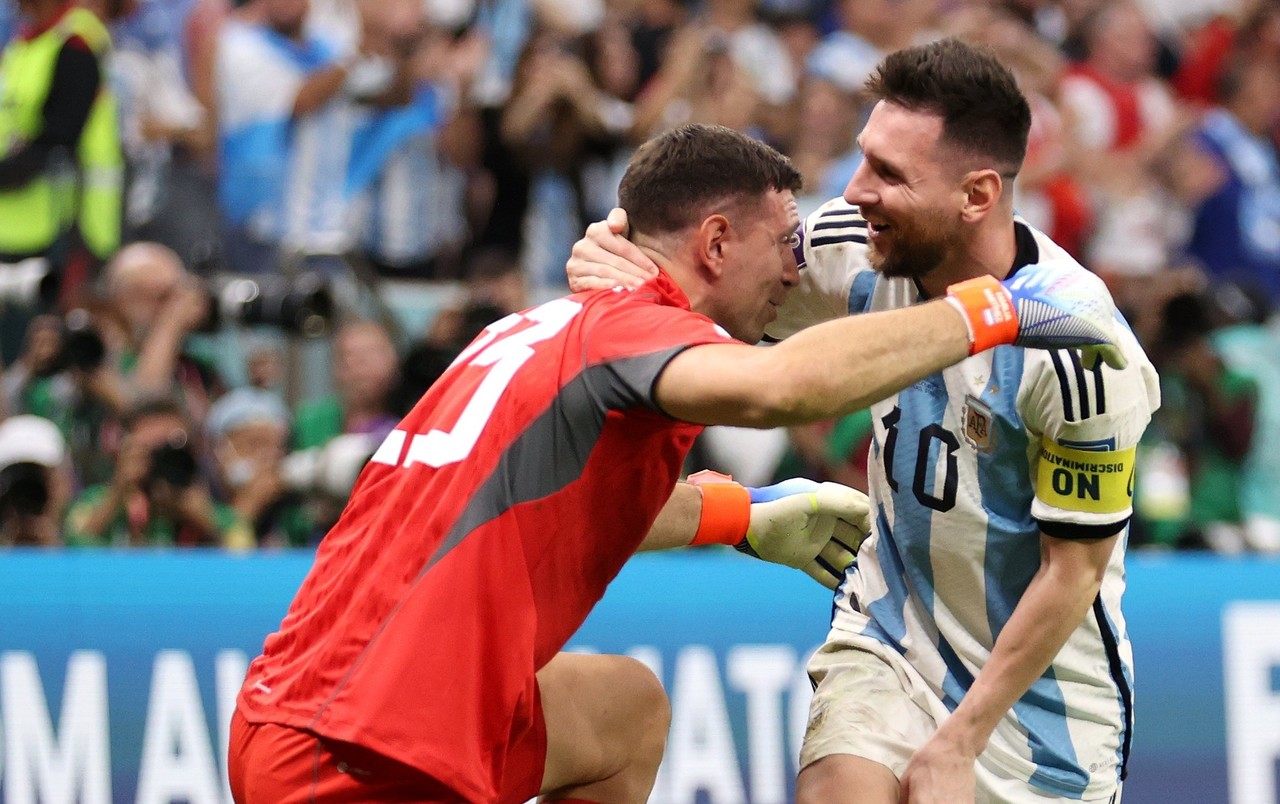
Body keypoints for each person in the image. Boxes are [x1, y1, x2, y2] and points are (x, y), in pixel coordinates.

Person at [230, 122, 1126, 803]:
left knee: (623, 713)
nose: (797, 271)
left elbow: (564, 497)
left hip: (354, 701)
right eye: (785, 244)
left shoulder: (548, 324)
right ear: (715, 243)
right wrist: (998, 310)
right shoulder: (635, 331)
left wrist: (741, 516)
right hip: (361, 743)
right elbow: (780, 388)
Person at [567, 41, 1159, 804]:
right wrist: (613, 254)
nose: (855, 190)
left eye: (889, 173)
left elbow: (1072, 572)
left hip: (1042, 712)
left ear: (976, 195)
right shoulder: (851, 250)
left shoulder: (1081, 348)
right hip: (887, 636)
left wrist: (961, 739)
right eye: (863, 157)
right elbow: (697, 270)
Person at [0, 0, 123, 301]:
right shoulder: (25, 43)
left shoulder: (75, 44)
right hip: (13, 223)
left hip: (60, 226)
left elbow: (58, 137)